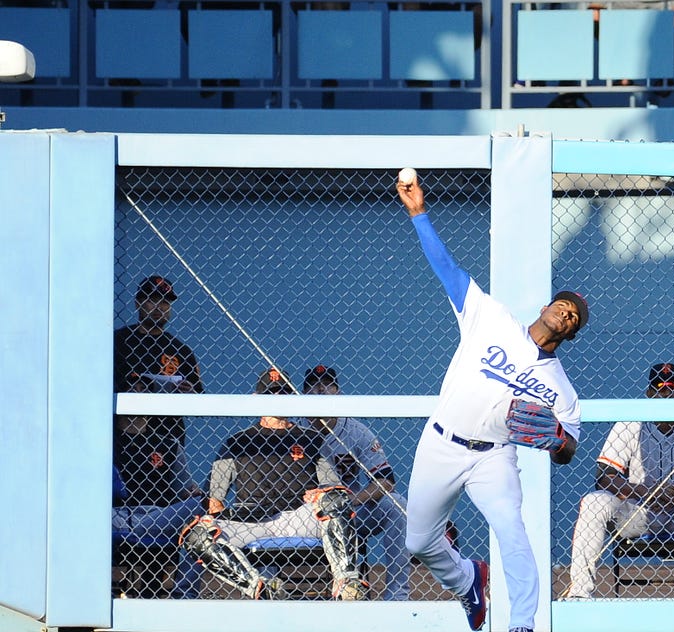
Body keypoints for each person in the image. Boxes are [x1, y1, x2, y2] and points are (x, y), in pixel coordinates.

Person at [395, 171, 587, 632]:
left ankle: (522, 623)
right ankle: (469, 581)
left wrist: (557, 439)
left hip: (494, 458)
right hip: (441, 443)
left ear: (572, 333)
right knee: (419, 541)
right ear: (545, 307)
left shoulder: (561, 387)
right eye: (562, 306)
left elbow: (569, 448)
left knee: (511, 530)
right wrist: (419, 212)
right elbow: (448, 269)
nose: (566, 313)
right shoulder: (491, 318)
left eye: (574, 318)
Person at [178, 367, 368, 600]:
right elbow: (214, 499)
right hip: (251, 519)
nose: (278, 399)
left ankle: (346, 582)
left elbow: (335, 489)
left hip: (299, 517)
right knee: (197, 534)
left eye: (284, 393)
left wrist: (321, 493)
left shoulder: (311, 438)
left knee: (335, 499)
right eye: (271, 393)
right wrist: (214, 513)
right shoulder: (237, 442)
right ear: (256, 400)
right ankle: (261, 588)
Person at [566, 362, 674, 599]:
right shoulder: (631, 422)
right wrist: (643, 491)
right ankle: (580, 593)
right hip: (639, 510)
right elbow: (604, 477)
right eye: (660, 389)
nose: (666, 394)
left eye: (673, 388)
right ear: (649, 393)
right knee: (595, 502)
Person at [299, 364, 412, 600]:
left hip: (351, 512)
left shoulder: (356, 431)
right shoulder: (293, 429)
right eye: (313, 386)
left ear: (338, 394)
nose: (320, 390)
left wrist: (349, 500)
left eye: (327, 384)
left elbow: (385, 481)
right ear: (303, 395)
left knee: (397, 505)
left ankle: (397, 596)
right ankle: (267, 595)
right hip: (303, 514)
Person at [112, 373, 206, 598]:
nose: (138, 395)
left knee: (204, 509)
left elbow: (183, 488)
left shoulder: (167, 443)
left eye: (144, 391)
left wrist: (193, 493)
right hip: (116, 516)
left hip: (157, 516)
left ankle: (183, 596)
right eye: (132, 391)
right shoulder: (105, 439)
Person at [113, 275, 203, 444]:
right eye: (153, 300)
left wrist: (191, 393)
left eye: (165, 302)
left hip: (167, 438)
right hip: (122, 438)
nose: (159, 307)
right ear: (138, 303)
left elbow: (199, 400)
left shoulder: (180, 350)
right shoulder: (118, 342)